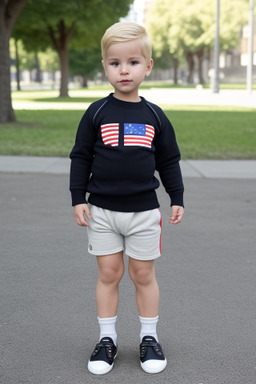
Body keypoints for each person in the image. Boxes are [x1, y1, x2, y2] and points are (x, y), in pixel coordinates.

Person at [69, 21, 184, 375]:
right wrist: (78, 197)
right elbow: (81, 157)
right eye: (115, 63)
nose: (124, 70)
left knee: (142, 274)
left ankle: (149, 338)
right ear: (105, 66)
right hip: (102, 211)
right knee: (109, 272)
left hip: (144, 213)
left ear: (147, 66)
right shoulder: (96, 113)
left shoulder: (154, 115)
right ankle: (108, 340)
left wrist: (176, 195)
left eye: (133, 62)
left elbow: (168, 160)